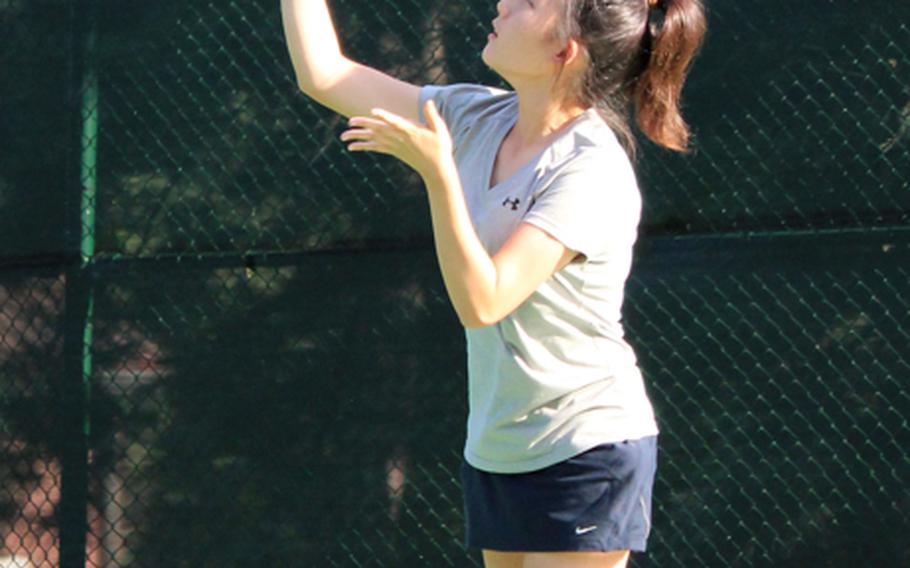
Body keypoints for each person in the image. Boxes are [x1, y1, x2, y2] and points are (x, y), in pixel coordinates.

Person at [281, 0, 706, 566]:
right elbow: (326, 75)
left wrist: (438, 175)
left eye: (530, 3)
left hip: (586, 445)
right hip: (499, 450)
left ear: (564, 52)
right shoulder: (474, 115)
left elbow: (484, 300)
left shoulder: (590, 170)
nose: (504, 2)